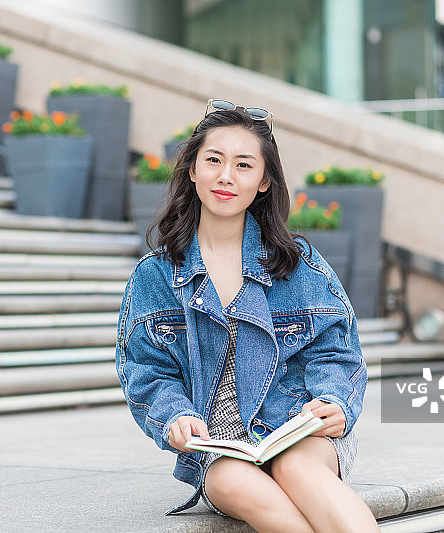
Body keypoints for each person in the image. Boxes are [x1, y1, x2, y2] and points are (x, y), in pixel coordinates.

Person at [115, 98, 379, 532]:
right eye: (214, 160)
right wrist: (175, 416)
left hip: (297, 431)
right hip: (221, 449)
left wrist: (334, 402)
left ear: (262, 182)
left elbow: (336, 353)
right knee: (231, 482)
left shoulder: (298, 265)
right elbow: (146, 369)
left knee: (297, 470)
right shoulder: (156, 276)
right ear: (193, 170)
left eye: (243, 165)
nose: (225, 176)